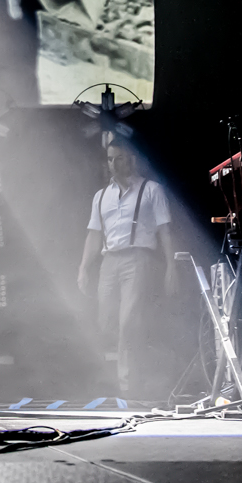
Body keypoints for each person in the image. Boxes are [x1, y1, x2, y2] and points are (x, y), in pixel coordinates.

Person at [77, 138, 176, 397]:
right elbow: (93, 234)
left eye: (119, 158)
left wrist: (171, 267)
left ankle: (127, 385)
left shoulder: (152, 190)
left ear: (130, 159)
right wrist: (84, 268)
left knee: (128, 322)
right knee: (106, 319)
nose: (113, 164)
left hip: (138, 258)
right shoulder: (101, 196)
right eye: (110, 159)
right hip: (109, 262)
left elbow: (165, 231)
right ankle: (136, 367)